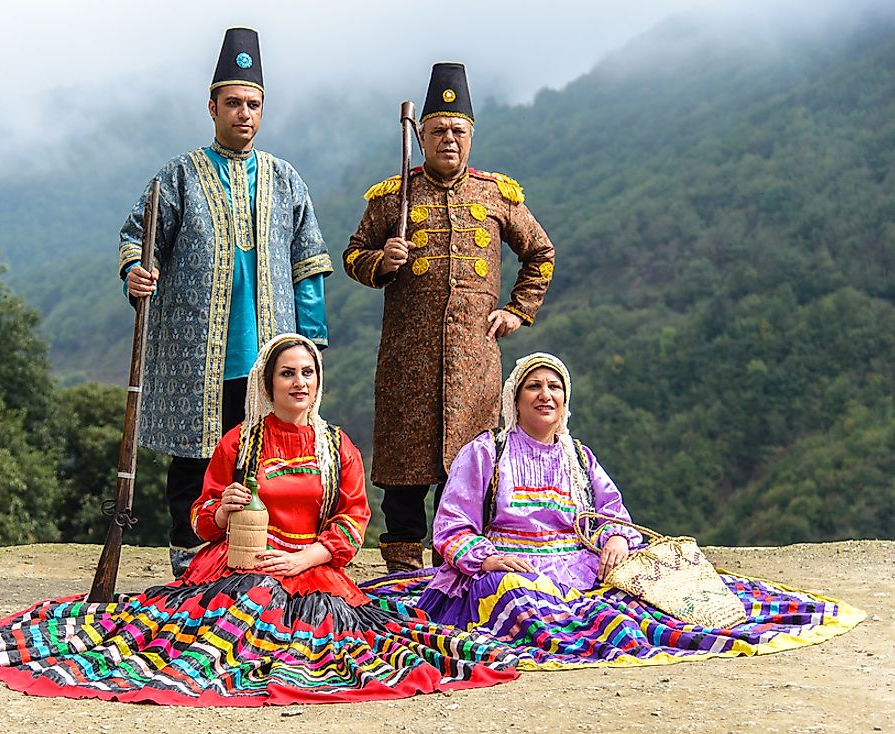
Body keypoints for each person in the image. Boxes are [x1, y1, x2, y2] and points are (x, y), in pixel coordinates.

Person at [0, 334, 519, 705]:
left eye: (308, 373)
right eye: (288, 374)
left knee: (344, 645)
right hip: (238, 565)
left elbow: (351, 521)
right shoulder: (241, 442)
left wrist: (304, 556)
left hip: (312, 567)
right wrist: (219, 512)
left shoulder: (336, 445)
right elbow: (200, 519)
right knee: (221, 624)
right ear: (267, 384)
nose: (300, 382)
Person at [362, 353, 866, 669]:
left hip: (575, 562)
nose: (545, 395)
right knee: (518, 599)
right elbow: (452, 526)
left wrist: (617, 542)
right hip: (507, 565)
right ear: (515, 400)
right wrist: (487, 559)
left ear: (565, 402)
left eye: (554, 387)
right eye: (534, 387)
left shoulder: (579, 456)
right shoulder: (486, 452)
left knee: (638, 606)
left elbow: (610, 512)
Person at [118, 27, 332, 576]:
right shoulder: (178, 176)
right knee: (194, 462)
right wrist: (137, 272)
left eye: (253, 104)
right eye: (233, 103)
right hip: (197, 356)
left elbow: (309, 265)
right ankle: (190, 568)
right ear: (211, 106)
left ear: (264, 111)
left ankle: (257, 565)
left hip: (270, 356)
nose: (244, 113)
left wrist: (311, 345)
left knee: (264, 463)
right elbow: (138, 238)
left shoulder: (286, 180)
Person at [342, 62, 555, 574]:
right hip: (405, 364)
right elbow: (352, 255)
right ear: (420, 135)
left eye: (458, 131)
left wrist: (517, 310)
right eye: (438, 130)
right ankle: (401, 578)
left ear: (471, 135)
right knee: (403, 479)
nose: (449, 140)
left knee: (467, 475)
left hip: (474, 366)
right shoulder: (392, 196)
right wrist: (380, 263)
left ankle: (454, 571)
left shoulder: (497, 196)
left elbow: (540, 253)